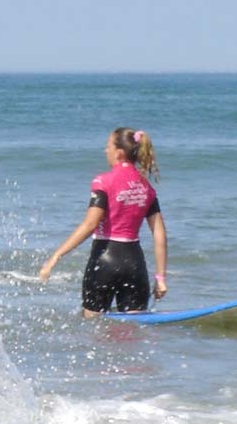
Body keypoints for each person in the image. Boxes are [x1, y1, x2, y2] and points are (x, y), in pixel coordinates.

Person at [39, 127, 168, 315]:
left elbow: (90, 225)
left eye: (108, 146)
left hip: (104, 260)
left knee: (93, 330)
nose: (105, 151)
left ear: (119, 153)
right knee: (133, 334)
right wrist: (160, 277)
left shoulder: (103, 181)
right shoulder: (146, 187)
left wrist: (56, 256)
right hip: (135, 264)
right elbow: (159, 235)